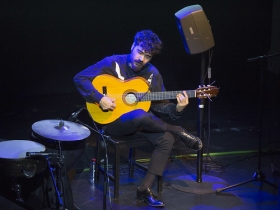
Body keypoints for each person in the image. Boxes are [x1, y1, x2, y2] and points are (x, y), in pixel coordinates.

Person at [74, 30, 202, 207]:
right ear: (132, 46)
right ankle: (177, 129)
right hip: (113, 122)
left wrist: (178, 108)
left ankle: (144, 189)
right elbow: (80, 78)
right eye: (140, 52)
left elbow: (161, 105)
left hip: (142, 124)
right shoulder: (113, 62)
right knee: (141, 115)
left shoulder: (152, 74)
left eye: (147, 56)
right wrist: (99, 98)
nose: (142, 59)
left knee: (166, 139)